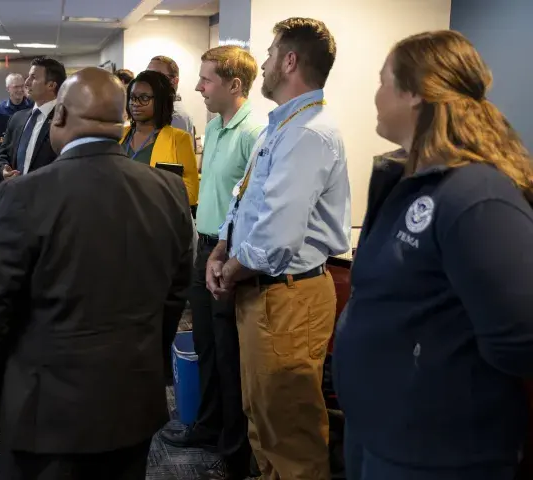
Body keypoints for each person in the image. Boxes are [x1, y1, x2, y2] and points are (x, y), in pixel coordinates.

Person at [0, 67, 193, 480]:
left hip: (46, 413)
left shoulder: (23, 194)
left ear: (59, 116)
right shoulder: (168, 191)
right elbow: (174, 295)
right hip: (131, 402)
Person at [333, 30, 533, 480]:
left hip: (439, 454)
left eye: (383, 80)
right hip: (382, 438)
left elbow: (521, 338)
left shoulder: (475, 195)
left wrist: (434, 378)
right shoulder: (410, 180)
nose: (376, 94)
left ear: (416, 93)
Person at [209, 18, 351, 480]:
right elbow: (247, 200)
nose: (264, 64)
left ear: (290, 61)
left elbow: (278, 235)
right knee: (262, 420)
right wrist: (221, 248)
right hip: (264, 294)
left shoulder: (308, 132)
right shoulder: (281, 126)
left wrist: (229, 270)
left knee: (289, 434)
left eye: (270, 54)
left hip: (288, 296)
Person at [159, 45, 262, 480]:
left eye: (207, 79)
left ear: (234, 85)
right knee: (205, 345)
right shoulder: (218, 125)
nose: (198, 87)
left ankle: (235, 449)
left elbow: (255, 207)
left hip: (231, 255)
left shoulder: (254, 131)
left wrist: (229, 257)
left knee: (229, 355)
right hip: (206, 248)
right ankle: (208, 426)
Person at [120, 70, 199, 207]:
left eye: (144, 98)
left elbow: (191, 194)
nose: (135, 103)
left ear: (161, 101)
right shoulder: (119, 135)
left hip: (154, 219)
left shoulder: (179, 139)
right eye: (132, 97)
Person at [0, 57, 64, 182]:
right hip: (15, 194)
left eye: (33, 77)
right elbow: (2, 154)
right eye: (28, 77)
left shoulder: (65, 120)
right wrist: (3, 168)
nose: (26, 83)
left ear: (51, 85)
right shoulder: (17, 118)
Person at [147, 55, 195, 137]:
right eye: (147, 74)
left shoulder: (175, 117)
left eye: (156, 76)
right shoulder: (159, 109)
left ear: (174, 81)